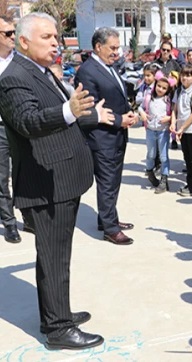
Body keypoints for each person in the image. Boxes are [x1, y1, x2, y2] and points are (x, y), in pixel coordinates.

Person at [0, 12, 116, 349]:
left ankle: (56, 312)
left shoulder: (39, 71)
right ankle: (58, 328)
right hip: (45, 183)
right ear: (23, 41)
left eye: (56, 36)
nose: (55, 42)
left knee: (55, 255)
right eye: (47, 37)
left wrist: (87, 113)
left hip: (60, 179)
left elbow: (63, 113)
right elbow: (28, 121)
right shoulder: (13, 78)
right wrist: (70, 110)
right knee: (53, 257)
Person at [75, 27, 137, 245]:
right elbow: (90, 110)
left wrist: (127, 114)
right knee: (108, 182)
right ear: (98, 47)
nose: (116, 52)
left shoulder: (109, 67)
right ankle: (110, 229)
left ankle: (107, 218)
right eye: (112, 48)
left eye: (118, 48)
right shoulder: (88, 71)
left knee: (113, 181)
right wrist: (121, 120)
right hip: (102, 138)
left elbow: (115, 97)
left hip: (117, 135)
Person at [0, 15, 22, 243]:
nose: (12, 37)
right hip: (0, 130)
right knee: (2, 177)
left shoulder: (21, 61)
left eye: (14, 32)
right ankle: (9, 223)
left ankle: (30, 216)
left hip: (21, 126)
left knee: (24, 172)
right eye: (7, 34)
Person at [139, 71, 175, 193]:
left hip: (163, 131)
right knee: (151, 154)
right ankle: (150, 172)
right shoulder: (149, 97)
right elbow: (140, 107)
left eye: (164, 88)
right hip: (150, 130)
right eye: (159, 86)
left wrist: (169, 118)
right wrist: (143, 113)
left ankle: (164, 179)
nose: (160, 89)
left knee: (164, 156)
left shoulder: (168, 100)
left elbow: (175, 114)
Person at [172, 65, 192, 197]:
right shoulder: (179, 91)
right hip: (182, 131)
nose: (185, 78)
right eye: (183, 75)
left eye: (188, 75)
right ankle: (189, 182)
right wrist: (173, 123)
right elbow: (175, 109)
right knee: (187, 158)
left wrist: (182, 127)